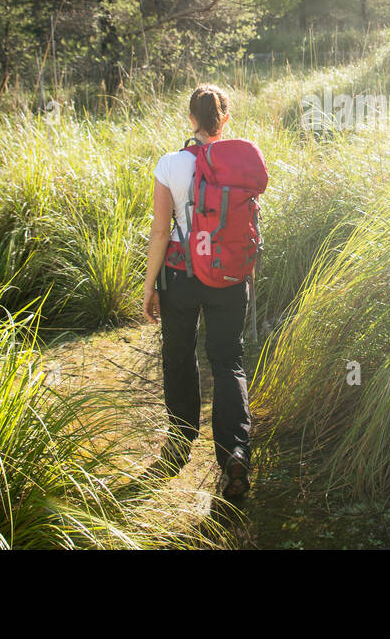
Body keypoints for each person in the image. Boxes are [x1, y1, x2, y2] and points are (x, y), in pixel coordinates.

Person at [142, 84, 254, 499]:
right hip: (229, 276)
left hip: (181, 274)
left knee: (178, 353)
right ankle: (235, 454)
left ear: (191, 120)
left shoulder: (170, 163)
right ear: (225, 119)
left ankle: (180, 442)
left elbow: (159, 230)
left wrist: (149, 284)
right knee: (228, 361)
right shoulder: (242, 160)